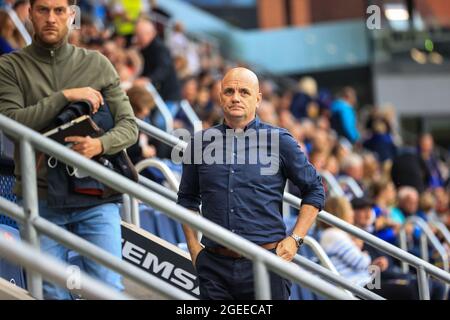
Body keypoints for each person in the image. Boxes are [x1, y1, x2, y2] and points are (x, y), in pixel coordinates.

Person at [0, 0, 138, 299]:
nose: (51, 18)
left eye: (59, 10)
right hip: (41, 197)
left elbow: (130, 126)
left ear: (71, 15)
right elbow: (11, 124)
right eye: (43, 10)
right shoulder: (9, 66)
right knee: (52, 293)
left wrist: (100, 144)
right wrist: (64, 97)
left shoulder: (97, 63)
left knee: (108, 291)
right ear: (30, 14)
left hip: (96, 196)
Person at [177, 67, 325, 300]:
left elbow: (314, 189)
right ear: (220, 97)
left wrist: (295, 240)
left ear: (258, 99)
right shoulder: (199, 144)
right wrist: (194, 248)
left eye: (244, 92)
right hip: (214, 267)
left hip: (267, 264)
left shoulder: (279, 141)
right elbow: (187, 199)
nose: (235, 97)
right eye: (229, 91)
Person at [134, 16, 182, 131]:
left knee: (161, 124)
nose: (137, 39)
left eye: (140, 35)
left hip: (169, 95)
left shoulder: (160, 48)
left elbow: (163, 69)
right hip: (157, 93)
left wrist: (148, 79)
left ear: (150, 34)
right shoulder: (143, 48)